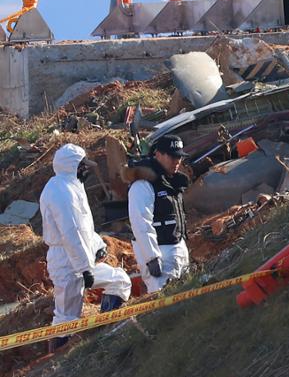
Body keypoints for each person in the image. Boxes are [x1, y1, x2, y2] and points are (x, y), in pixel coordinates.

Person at [40, 144, 131, 351]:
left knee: (120, 280)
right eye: (84, 166)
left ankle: (104, 334)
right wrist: (85, 268)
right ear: (74, 166)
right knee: (66, 319)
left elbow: (84, 229)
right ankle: (52, 364)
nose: (87, 169)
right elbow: (71, 233)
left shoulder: (73, 186)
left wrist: (97, 246)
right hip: (67, 262)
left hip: (81, 260)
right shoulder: (60, 190)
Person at [122, 135, 190, 293]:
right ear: (158, 154)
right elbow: (140, 222)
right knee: (163, 304)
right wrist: (151, 258)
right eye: (172, 156)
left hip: (176, 248)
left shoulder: (170, 181)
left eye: (179, 156)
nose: (177, 161)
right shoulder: (142, 184)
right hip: (159, 256)